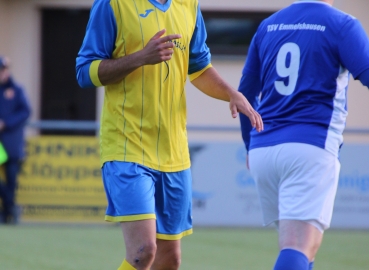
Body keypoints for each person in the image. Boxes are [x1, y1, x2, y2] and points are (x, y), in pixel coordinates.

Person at [76, 0, 263, 269]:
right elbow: (84, 72)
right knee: (144, 251)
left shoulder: (188, 5)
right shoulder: (113, 4)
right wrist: (141, 57)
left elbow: (199, 68)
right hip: (127, 147)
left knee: (170, 260)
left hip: (173, 152)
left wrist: (231, 94)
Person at [239, 0, 369, 269]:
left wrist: (249, 146)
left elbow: (244, 95)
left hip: (264, 150)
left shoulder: (268, 26)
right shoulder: (342, 24)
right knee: (298, 245)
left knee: (303, 249)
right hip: (309, 145)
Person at [0, 56, 31, 224]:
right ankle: (9, 207)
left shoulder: (17, 90)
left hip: (11, 142)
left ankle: (7, 214)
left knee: (12, 179)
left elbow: (25, 111)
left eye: (4, 70)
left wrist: (6, 123)